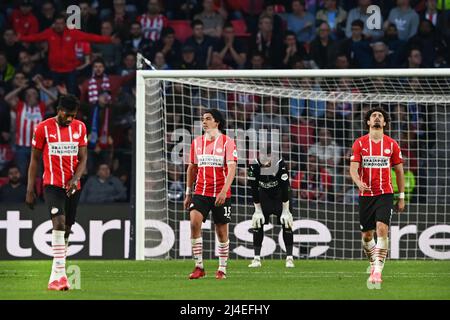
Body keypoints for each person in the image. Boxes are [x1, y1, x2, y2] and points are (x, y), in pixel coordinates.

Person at [26, 95, 88, 291]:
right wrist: (30, 188)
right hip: (52, 184)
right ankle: (59, 276)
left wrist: (76, 179)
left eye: (73, 116)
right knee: (58, 223)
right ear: (58, 110)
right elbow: (35, 159)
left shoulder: (80, 127)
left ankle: (56, 274)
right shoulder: (43, 128)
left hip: (73, 186)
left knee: (67, 228)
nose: (70, 119)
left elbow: (83, 157)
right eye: (67, 115)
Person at [349, 108, 405, 284]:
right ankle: (373, 262)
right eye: (374, 116)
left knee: (382, 229)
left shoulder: (392, 144)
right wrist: (358, 182)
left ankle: (378, 272)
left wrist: (401, 196)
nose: (377, 118)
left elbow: (399, 171)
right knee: (367, 236)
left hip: (385, 193)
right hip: (366, 194)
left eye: (380, 116)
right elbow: (353, 169)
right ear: (368, 122)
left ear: (385, 123)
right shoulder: (359, 143)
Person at [183, 108, 237, 280]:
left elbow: (232, 168)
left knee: (221, 231)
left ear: (217, 122)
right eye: (203, 119)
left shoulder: (228, 142)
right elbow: (192, 167)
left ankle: (222, 268)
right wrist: (188, 192)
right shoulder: (196, 142)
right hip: (200, 191)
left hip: (221, 193)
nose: (204, 122)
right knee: (194, 224)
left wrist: (223, 191)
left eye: (208, 118)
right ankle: (199, 267)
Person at [247, 151, 295, 268]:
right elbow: (253, 189)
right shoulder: (253, 167)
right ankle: (256, 259)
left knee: (287, 224)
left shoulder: (280, 165)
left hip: (280, 197)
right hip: (264, 197)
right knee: (257, 224)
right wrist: (257, 210)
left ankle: (289, 258)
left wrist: (286, 210)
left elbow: (285, 188)